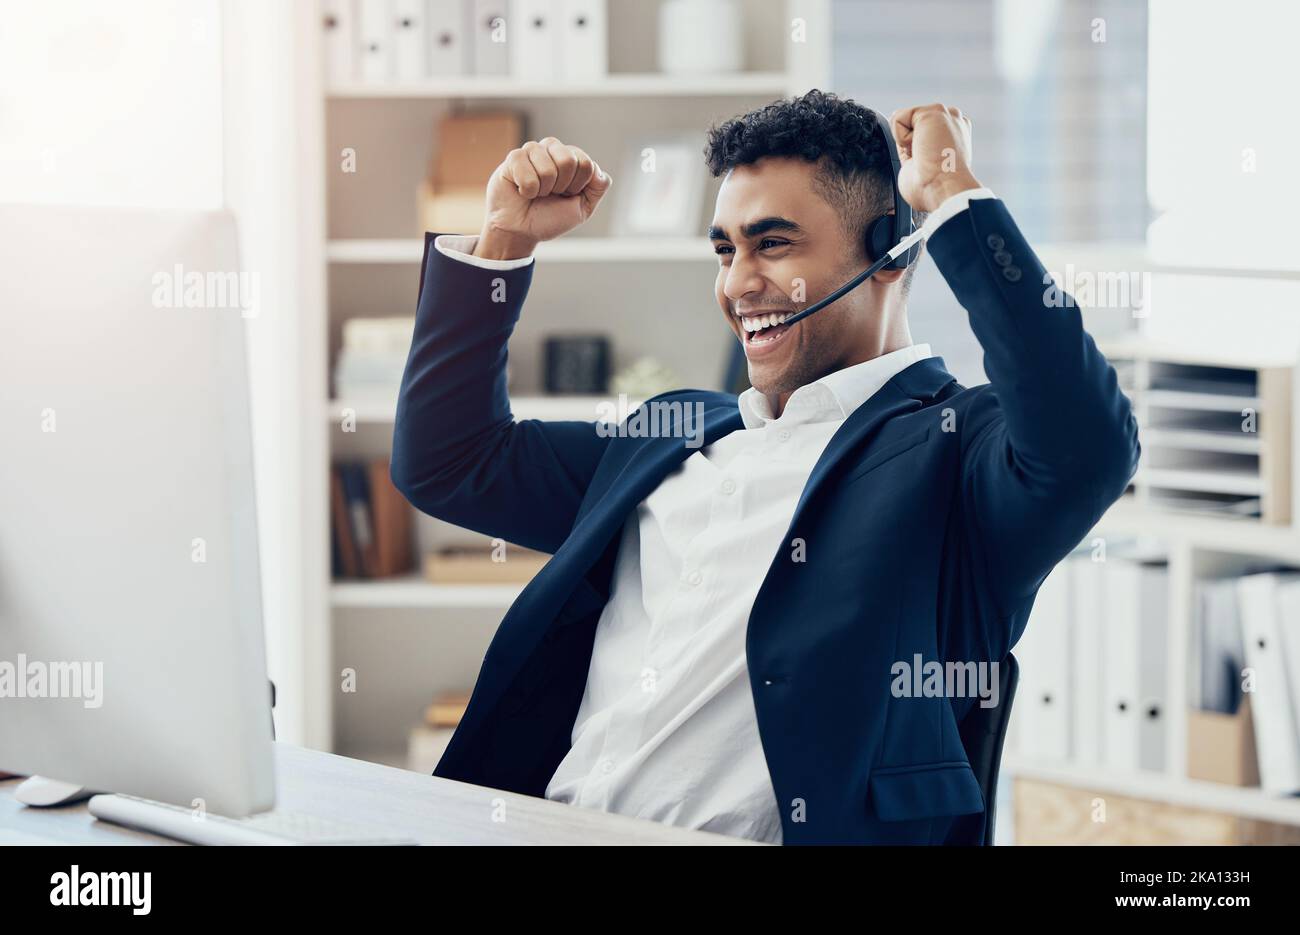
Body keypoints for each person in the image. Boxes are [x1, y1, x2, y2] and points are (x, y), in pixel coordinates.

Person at [390, 90, 1139, 845]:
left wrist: (950, 194)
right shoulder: (673, 433)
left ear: (891, 250)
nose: (737, 283)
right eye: (725, 249)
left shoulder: (954, 453)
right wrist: (502, 244)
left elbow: (1089, 447)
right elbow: (448, 460)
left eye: (772, 244)